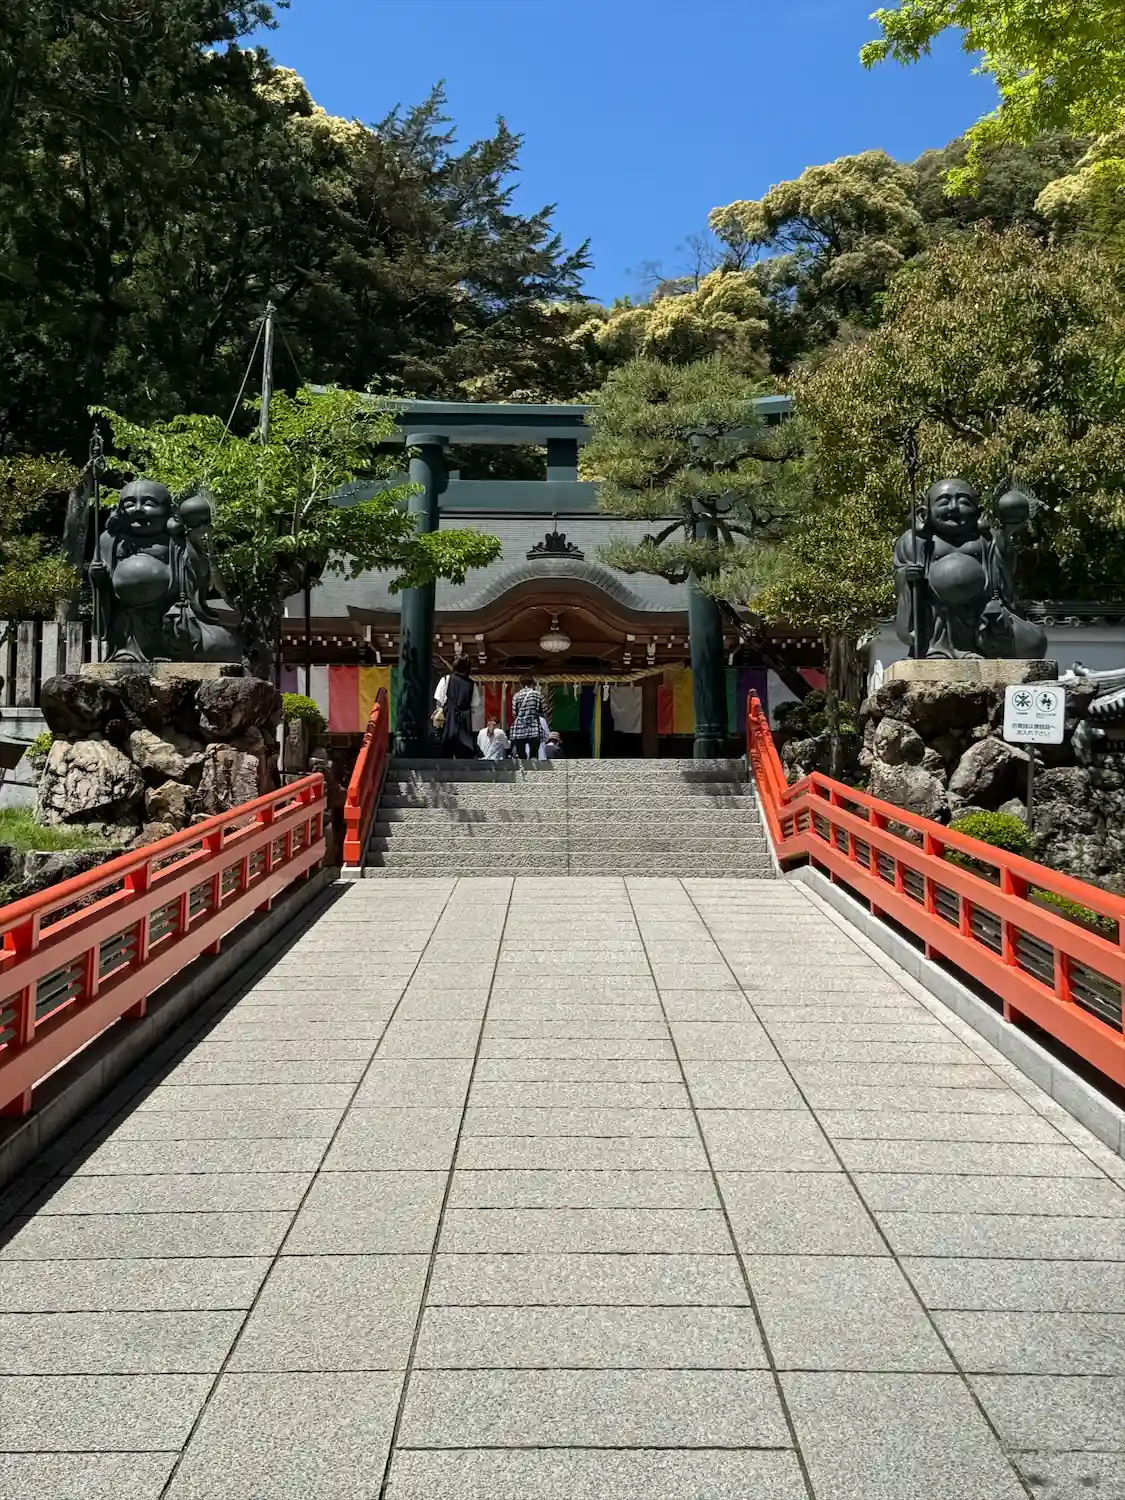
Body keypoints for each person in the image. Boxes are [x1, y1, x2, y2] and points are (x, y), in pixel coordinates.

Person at [439, 656, 477, 759]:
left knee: (446, 748)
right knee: (464, 751)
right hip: (464, 720)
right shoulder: (471, 684)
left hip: (448, 718)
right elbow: (475, 703)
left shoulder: (446, 679)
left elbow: (439, 699)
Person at [510, 673, 546, 760]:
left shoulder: (516, 696)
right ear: (532, 683)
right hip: (534, 728)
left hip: (519, 729)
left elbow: (514, 713)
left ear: (521, 684)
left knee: (521, 756)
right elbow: (544, 710)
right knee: (534, 755)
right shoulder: (538, 695)